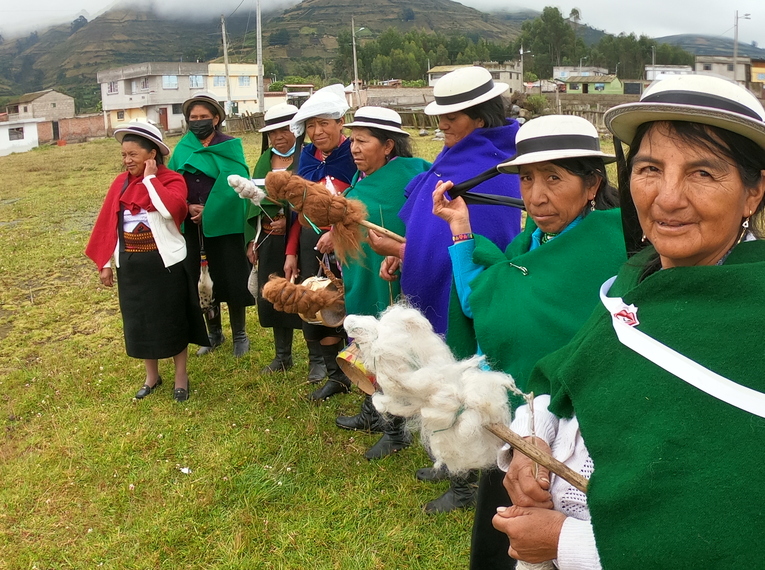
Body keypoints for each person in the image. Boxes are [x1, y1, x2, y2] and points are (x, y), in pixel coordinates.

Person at [494, 75, 765, 568]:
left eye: (703, 173)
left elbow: (737, 532)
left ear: (753, 192)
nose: (667, 198)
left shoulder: (756, 315)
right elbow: (564, 374)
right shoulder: (634, 278)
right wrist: (530, 439)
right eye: (649, 169)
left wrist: (566, 546)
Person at [432, 115, 624, 569]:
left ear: (592, 184)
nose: (536, 196)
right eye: (526, 179)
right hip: (517, 428)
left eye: (554, 179)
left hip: (581, 436)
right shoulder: (530, 243)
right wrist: (461, 228)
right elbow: (486, 305)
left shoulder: (615, 248)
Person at [372, 66, 523, 513]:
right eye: (441, 118)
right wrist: (405, 252)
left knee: (461, 374)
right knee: (438, 369)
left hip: (461, 285)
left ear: (479, 117)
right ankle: (448, 458)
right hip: (431, 278)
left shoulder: (493, 164)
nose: (443, 126)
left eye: (452, 118)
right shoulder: (454, 155)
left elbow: (489, 235)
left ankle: (466, 484)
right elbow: (426, 224)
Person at [333, 106, 431, 458]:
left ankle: (397, 428)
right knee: (365, 341)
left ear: (388, 146)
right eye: (352, 141)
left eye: (363, 141)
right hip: (362, 275)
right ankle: (373, 410)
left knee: (389, 346)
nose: (354, 148)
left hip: (390, 278)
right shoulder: (362, 180)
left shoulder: (411, 177)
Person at [85, 121, 209, 402]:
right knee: (140, 321)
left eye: (133, 155)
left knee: (172, 318)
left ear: (152, 155)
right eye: (123, 155)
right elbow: (108, 223)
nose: (127, 161)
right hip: (131, 263)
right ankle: (151, 376)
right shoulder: (120, 183)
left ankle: (181, 377)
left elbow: (171, 211)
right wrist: (105, 262)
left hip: (164, 263)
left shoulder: (171, 179)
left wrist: (152, 180)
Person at [285, 85, 358, 400]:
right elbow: (298, 210)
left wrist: (338, 232)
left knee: (354, 307)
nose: (316, 132)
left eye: (323, 123)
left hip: (349, 242)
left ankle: (364, 374)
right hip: (311, 242)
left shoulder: (356, 153)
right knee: (317, 305)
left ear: (340, 121)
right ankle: (336, 377)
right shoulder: (306, 158)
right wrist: (291, 251)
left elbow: (363, 202)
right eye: (310, 126)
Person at [168, 92, 254, 358]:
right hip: (192, 226)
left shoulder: (230, 146)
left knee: (231, 276)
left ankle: (240, 334)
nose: (198, 121)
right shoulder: (183, 147)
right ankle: (213, 334)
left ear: (216, 119)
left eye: (203, 117)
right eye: (193, 118)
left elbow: (238, 183)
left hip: (225, 225)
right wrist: (187, 205)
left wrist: (210, 210)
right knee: (201, 280)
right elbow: (172, 182)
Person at [246, 103, 304, 374]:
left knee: (307, 292)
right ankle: (282, 355)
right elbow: (250, 201)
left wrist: (288, 219)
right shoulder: (263, 161)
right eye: (273, 133)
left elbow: (311, 197)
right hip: (268, 237)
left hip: (301, 237)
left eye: (285, 130)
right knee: (274, 293)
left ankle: (319, 358)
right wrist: (252, 240)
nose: (279, 137)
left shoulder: (306, 157)